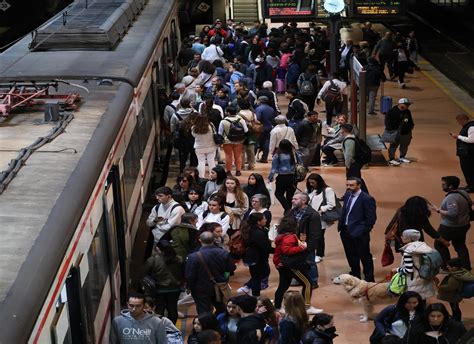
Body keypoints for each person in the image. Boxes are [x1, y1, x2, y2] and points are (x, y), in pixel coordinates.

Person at [273, 217, 322, 314]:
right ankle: (307, 307)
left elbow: (278, 252)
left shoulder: (282, 236)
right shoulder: (290, 237)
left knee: (283, 286)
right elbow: (287, 250)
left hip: (283, 265)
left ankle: (277, 307)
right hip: (292, 266)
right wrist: (301, 247)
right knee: (308, 283)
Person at [185, 232, 236, 315]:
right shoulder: (224, 253)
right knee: (221, 307)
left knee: (204, 310)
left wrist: (189, 287)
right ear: (214, 240)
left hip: (201, 289)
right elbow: (230, 269)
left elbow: (190, 275)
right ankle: (220, 324)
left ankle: (208, 325)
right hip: (220, 286)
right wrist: (224, 278)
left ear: (200, 240)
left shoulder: (193, 257)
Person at [338, 177, 377, 282]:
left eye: (351, 185)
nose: (348, 187)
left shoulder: (367, 198)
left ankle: (369, 278)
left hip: (360, 232)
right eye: (347, 185)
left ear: (359, 185)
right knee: (351, 255)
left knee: (364, 256)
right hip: (345, 230)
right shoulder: (347, 195)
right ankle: (355, 275)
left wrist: (364, 230)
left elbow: (371, 218)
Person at [432, 176, 472, 271]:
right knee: (460, 245)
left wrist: (438, 210)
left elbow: (453, 213)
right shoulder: (464, 192)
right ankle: (466, 267)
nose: (442, 186)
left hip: (450, 226)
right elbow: (470, 202)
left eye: (444, 185)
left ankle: (447, 266)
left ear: (450, 186)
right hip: (464, 224)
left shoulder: (451, 198)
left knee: (439, 244)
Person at [144, 241, 183, 324]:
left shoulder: (153, 260)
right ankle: (172, 327)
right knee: (172, 309)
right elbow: (183, 273)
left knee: (159, 309)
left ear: (158, 249)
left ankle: (160, 327)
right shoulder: (179, 259)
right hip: (175, 289)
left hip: (159, 289)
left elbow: (145, 273)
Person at [288, 192, 321, 288]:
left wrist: (309, 246)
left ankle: (313, 281)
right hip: (294, 242)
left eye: (295, 199)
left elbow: (315, 233)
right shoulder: (292, 211)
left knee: (309, 262)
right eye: (293, 199)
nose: (292, 200)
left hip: (306, 243)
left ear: (304, 201)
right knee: (297, 261)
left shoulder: (313, 214)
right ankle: (300, 279)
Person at [394, 230, 436, 301]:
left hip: (414, 281)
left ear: (409, 238)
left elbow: (408, 270)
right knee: (422, 300)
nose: (401, 237)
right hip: (425, 278)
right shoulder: (423, 247)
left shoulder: (408, 252)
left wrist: (397, 270)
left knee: (414, 302)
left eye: (404, 236)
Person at [237, 213, 272, 297]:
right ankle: (253, 294)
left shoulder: (250, 229)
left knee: (256, 276)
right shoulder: (258, 233)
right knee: (260, 275)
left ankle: (250, 289)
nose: (266, 220)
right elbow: (265, 247)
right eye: (264, 219)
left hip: (251, 257)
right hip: (258, 258)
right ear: (258, 222)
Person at [306, 174, 337, 262]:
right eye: (310, 183)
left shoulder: (327, 190)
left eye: (313, 182)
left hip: (320, 217)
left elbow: (332, 204)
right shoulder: (309, 190)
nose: (311, 184)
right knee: (309, 234)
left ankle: (319, 254)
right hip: (309, 216)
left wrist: (321, 210)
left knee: (319, 236)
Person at [268, 139, 299, 212]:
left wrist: (270, 177)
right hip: (293, 177)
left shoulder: (277, 155)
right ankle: (288, 212)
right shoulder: (294, 154)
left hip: (282, 177)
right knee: (290, 195)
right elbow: (301, 163)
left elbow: (274, 168)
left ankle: (288, 209)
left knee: (278, 194)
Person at [219, 106, 249, 176]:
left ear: (228, 112)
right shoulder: (241, 120)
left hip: (227, 141)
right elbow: (246, 130)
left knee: (228, 156)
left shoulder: (223, 121)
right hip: (239, 141)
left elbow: (220, 133)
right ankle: (238, 171)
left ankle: (229, 171)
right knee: (238, 156)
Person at [385, 98, 415, 166]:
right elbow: (387, 121)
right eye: (406, 104)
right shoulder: (392, 111)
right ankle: (391, 159)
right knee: (393, 145)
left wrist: (411, 127)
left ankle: (402, 157)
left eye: (408, 105)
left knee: (404, 145)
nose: (408, 106)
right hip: (395, 132)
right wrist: (391, 129)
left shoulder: (407, 111)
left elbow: (410, 120)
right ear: (401, 104)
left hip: (406, 132)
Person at [340, 124, 369, 193]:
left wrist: (347, 165)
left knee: (355, 180)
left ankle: (364, 194)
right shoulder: (353, 137)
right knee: (354, 179)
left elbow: (349, 154)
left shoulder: (349, 140)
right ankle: (349, 194)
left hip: (353, 164)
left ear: (344, 130)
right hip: (355, 163)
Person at [450, 113, 474, 193]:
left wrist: (458, 136)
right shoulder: (467, 126)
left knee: (469, 170)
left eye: (458, 121)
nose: (458, 123)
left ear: (462, 120)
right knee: (466, 170)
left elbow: (471, 140)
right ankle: (470, 185)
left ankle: (472, 187)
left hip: (469, 154)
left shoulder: (471, 127)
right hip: (465, 153)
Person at [192, 114, 217, 179]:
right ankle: (213, 176)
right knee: (211, 161)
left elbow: (194, 136)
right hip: (211, 146)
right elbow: (215, 133)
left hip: (199, 147)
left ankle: (201, 177)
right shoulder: (211, 125)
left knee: (201, 162)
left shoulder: (194, 127)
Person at [255, 96, 276, 163]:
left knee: (256, 143)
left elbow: (257, 118)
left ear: (260, 101)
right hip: (269, 127)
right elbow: (273, 119)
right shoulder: (271, 109)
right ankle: (264, 158)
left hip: (260, 128)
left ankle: (252, 159)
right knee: (266, 143)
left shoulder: (259, 109)